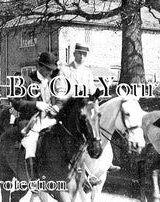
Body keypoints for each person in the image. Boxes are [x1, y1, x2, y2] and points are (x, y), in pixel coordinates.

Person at [56, 42, 121, 172]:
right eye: (79, 53)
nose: (82, 56)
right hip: (69, 107)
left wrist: (101, 90)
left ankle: (107, 160)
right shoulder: (65, 70)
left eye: (84, 54)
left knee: (98, 126)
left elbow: (92, 91)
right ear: (74, 54)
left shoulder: (87, 72)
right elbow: (60, 90)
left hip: (85, 107)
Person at [11, 52, 60, 181]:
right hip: (31, 120)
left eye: (52, 70)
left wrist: (57, 107)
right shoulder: (26, 81)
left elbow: (59, 101)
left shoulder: (52, 82)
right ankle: (33, 178)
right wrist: (36, 104)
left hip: (50, 119)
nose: (50, 72)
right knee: (30, 141)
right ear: (39, 66)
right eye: (47, 69)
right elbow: (16, 102)